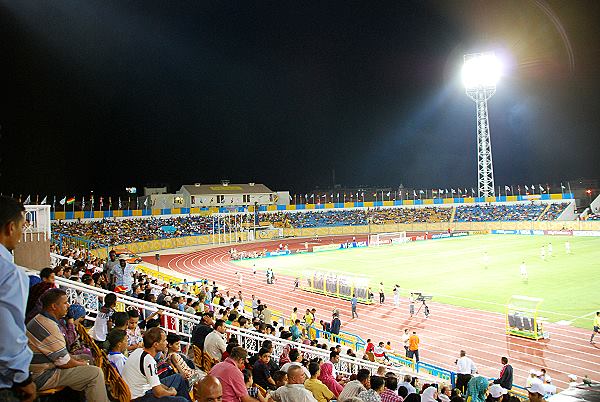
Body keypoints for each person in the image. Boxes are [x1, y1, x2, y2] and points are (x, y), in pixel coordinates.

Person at [26, 288, 109, 401]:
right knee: (95, 373)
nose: (68, 305)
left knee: (86, 357)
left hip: (42, 367)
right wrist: (82, 365)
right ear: (54, 306)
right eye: (65, 303)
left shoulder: (40, 318)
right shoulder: (48, 326)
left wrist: (81, 361)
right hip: (42, 376)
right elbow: (63, 362)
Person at [0, 196, 35, 402]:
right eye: (22, 226)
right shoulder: (10, 274)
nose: (23, 233)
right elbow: (8, 336)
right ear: (10, 228)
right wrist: (23, 379)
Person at [121, 327, 190, 402]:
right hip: (140, 397)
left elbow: (155, 383)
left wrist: (167, 389)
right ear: (156, 344)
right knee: (182, 400)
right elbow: (158, 393)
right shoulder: (149, 361)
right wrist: (171, 392)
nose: (166, 343)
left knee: (178, 378)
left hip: (140, 389)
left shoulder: (138, 351)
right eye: (164, 341)